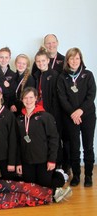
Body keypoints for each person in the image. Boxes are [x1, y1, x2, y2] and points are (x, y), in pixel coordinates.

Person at [16, 87, 71, 198]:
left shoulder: (46, 117)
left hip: (44, 160)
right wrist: (18, 162)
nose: (28, 100)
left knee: (44, 185)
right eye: (25, 98)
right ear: (22, 100)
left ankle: (60, 175)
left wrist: (52, 160)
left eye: (31, 97)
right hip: (27, 160)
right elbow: (17, 143)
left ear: (36, 98)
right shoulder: (19, 119)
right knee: (30, 187)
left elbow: (54, 139)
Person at [57, 47, 96, 187]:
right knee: (74, 147)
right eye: (71, 58)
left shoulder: (88, 75)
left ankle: (89, 176)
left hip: (88, 115)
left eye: (77, 58)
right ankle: (76, 176)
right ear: (67, 60)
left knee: (88, 146)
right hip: (70, 117)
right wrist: (73, 113)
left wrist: (80, 111)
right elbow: (62, 98)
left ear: (81, 60)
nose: (74, 61)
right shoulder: (62, 77)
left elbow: (91, 96)